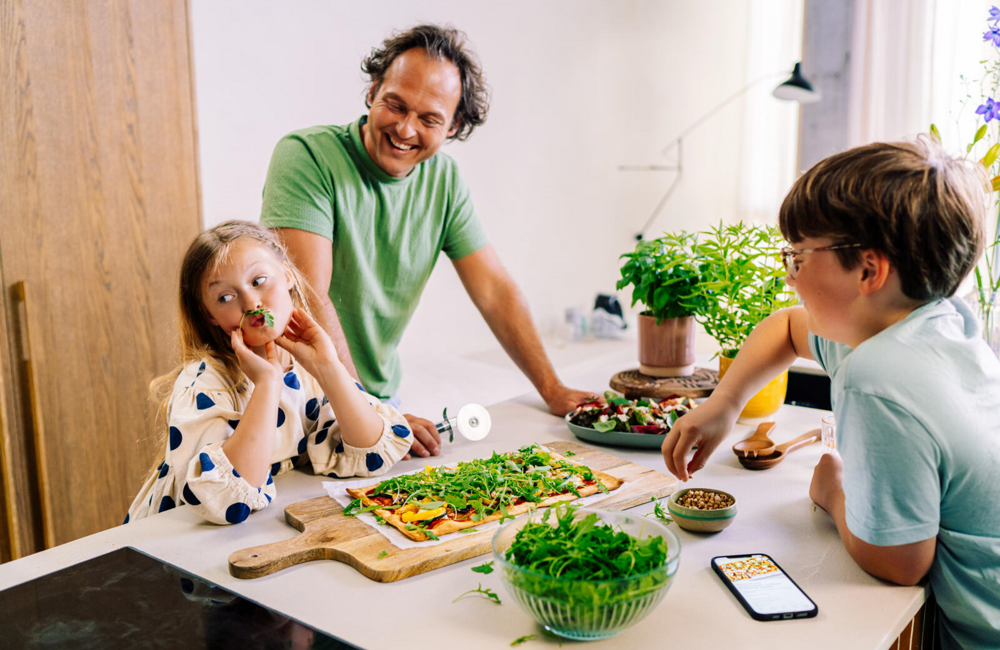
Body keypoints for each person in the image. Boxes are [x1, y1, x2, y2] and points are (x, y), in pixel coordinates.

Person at [660, 138, 1000, 649]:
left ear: (868, 269)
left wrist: (831, 489)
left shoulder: (877, 375)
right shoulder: (935, 324)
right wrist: (723, 405)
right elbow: (788, 329)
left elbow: (900, 562)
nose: (787, 272)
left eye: (797, 256)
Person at [259, 24, 595, 459]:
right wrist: (369, 411)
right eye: (395, 104)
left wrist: (553, 389)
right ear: (373, 90)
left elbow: (494, 290)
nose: (405, 128)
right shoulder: (306, 156)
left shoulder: (445, 180)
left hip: (374, 398)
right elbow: (307, 294)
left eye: (429, 118)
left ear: (453, 126)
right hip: (299, 395)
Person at [127, 221, 412, 525]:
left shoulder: (308, 369)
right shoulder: (205, 383)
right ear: (210, 314)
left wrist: (328, 368)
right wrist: (267, 383)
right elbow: (226, 502)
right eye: (225, 297)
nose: (251, 303)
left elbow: (373, 453)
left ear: (288, 273)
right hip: (169, 545)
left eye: (259, 280)